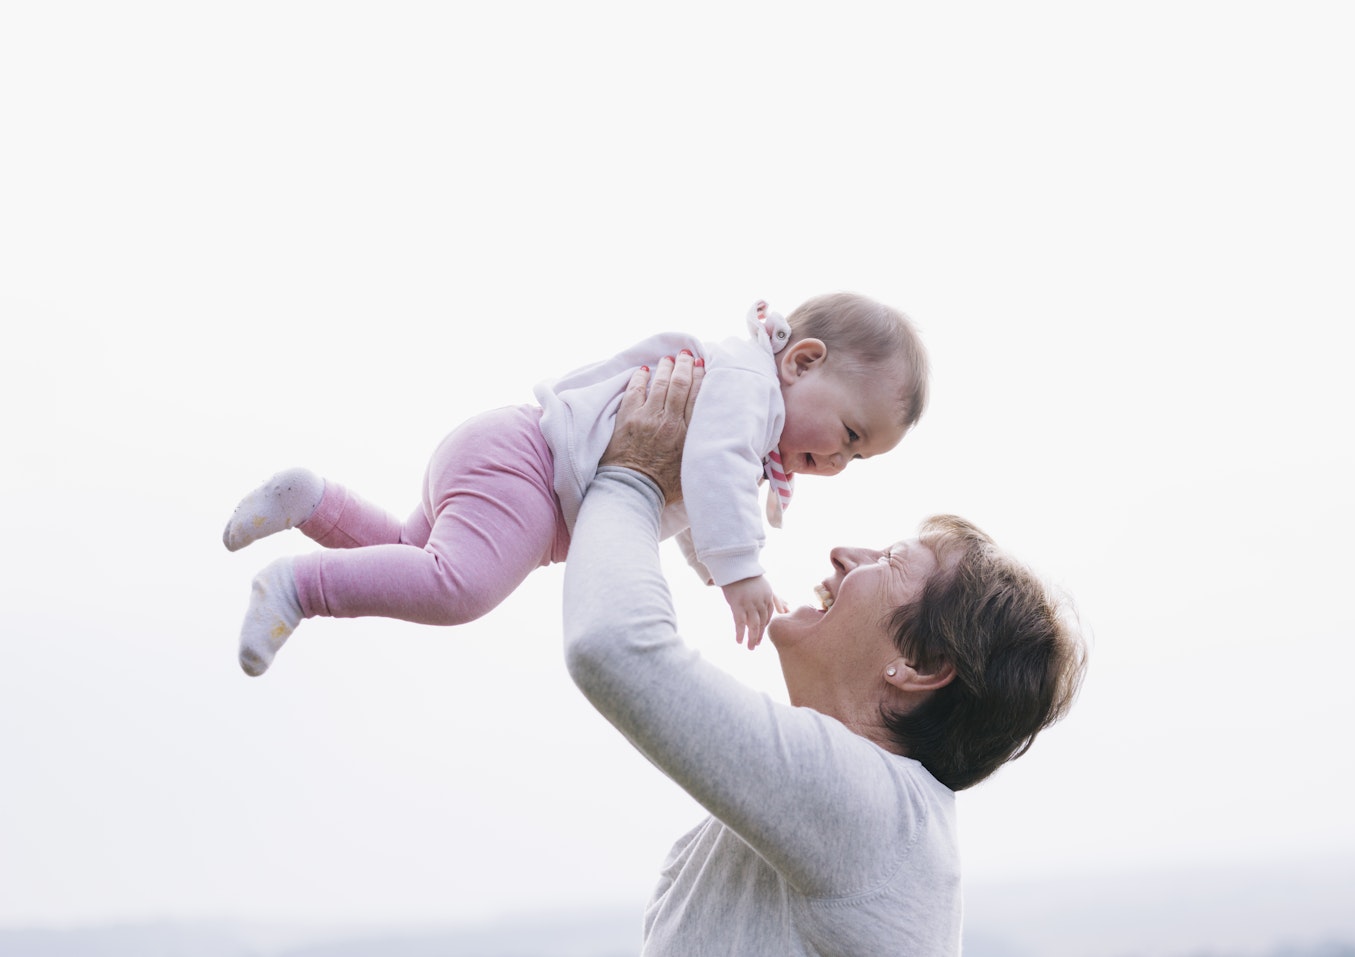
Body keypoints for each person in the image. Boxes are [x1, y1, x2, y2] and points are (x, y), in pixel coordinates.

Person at [565, 352, 1087, 955]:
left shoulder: (876, 815)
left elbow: (612, 647)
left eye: (890, 560)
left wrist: (634, 476)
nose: (843, 552)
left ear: (918, 669)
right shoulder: (815, 824)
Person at [222, 293, 929, 675]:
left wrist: (709, 562)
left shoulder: (744, 409)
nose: (839, 461)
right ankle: (298, 587)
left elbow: (686, 494)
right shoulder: (748, 390)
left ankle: (312, 501)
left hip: (506, 451)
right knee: (456, 588)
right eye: (851, 434)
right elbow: (709, 470)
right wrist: (741, 569)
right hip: (527, 474)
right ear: (803, 361)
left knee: (411, 551)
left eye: (858, 460)